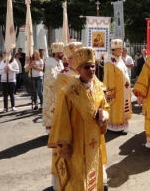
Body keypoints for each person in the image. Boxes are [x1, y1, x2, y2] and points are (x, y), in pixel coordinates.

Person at [48, 47, 109, 191]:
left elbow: (105, 106)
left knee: (92, 171)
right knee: (78, 176)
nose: (91, 70)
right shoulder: (70, 90)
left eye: (93, 66)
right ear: (79, 70)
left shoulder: (98, 87)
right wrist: (64, 145)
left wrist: (105, 115)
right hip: (76, 142)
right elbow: (63, 118)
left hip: (94, 139)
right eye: (86, 67)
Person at [49, 41, 83, 190]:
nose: (81, 60)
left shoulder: (87, 71)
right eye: (76, 57)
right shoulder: (63, 76)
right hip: (68, 121)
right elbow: (64, 96)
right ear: (69, 60)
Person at [103, 39, 132, 134]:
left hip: (123, 91)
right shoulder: (109, 62)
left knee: (122, 109)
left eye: (122, 48)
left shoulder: (119, 59)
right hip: (116, 92)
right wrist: (111, 93)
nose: (122, 51)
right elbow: (109, 79)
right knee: (116, 109)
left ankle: (121, 125)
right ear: (114, 50)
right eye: (119, 49)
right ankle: (114, 128)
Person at [43, 41, 64, 133]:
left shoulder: (59, 62)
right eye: (61, 53)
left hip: (59, 91)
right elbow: (50, 79)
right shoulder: (50, 63)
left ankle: (57, 129)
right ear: (56, 53)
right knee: (51, 110)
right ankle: (50, 130)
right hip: (51, 93)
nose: (63, 54)